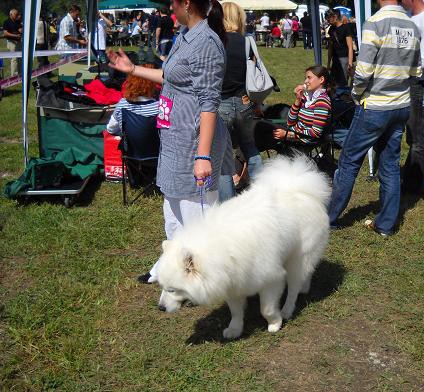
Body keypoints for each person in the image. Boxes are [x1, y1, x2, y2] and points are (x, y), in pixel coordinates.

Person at [107, 0, 233, 284]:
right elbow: (170, 77)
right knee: (174, 211)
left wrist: (203, 156)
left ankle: (203, 277)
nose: (169, 8)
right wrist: (133, 69)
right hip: (175, 137)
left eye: (172, 3)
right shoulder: (185, 34)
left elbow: (209, 101)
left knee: (197, 218)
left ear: (186, 3)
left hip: (193, 140)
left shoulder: (206, 42)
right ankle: (172, 265)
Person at [328, 0, 421, 236]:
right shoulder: (411, 25)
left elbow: (364, 69)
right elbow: (417, 71)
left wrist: (356, 93)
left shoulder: (375, 22)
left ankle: (327, 217)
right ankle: (386, 225)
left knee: (349, 161)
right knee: (390, 164)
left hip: (375, 106)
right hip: (400, 105)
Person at [218, 2, 263, 201]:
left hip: (221, 102)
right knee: (250, 147)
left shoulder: (216, 41)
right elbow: (258, 74)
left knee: (222, 157)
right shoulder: (248, 42)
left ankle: (228, 206)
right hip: (245, 101)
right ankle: (261, 194)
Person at [401, 0, 424, 195]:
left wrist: (398, 62)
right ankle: (410, 174)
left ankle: (414, 184)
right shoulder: (410, 17)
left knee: (416, 136)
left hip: (417, 83)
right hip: (406, 81)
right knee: (410, 134)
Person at [255, 65, 332, 152]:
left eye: (309, 78)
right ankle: (253, 156)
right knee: (260, 125)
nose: (305, 81)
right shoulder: (307, 97)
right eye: (305, 78)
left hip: (304, 139)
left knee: (262, 132)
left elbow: (315, 133)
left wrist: (288, 135)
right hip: (294, 133)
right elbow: (290, 121)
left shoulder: (322, 102)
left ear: (321, 80)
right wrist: (298, 100)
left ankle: (252, 158)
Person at [106, 63, 159, 136]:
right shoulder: (159, 107)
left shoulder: (123, 104)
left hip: (130, 146)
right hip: (155, 146)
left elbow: (111, 129)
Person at [326, 9, 355, 88]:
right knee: (333, 82)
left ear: (335, 17)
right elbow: (330, 47)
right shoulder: (331, 29)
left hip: (344, 59)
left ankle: (343, 98)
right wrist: (328, 63)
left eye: (329, 17)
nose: (327, 19)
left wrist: (350, 63)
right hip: (335, 59)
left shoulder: (346, 28)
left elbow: (350, 46)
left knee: (342, 83)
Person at [3, 9, 22, 77]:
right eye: (16, 14)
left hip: (18, 42)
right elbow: (5, 33)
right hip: (11, 42)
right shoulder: (6, 22)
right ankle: (13, 75)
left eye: (17, 14)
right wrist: (15, 35)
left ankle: (20, 73)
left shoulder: (18, 21)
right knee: (14, 58)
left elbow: (20, 29)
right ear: (11, 14)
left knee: (20, 57)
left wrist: (22, 30)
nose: (17, 15)